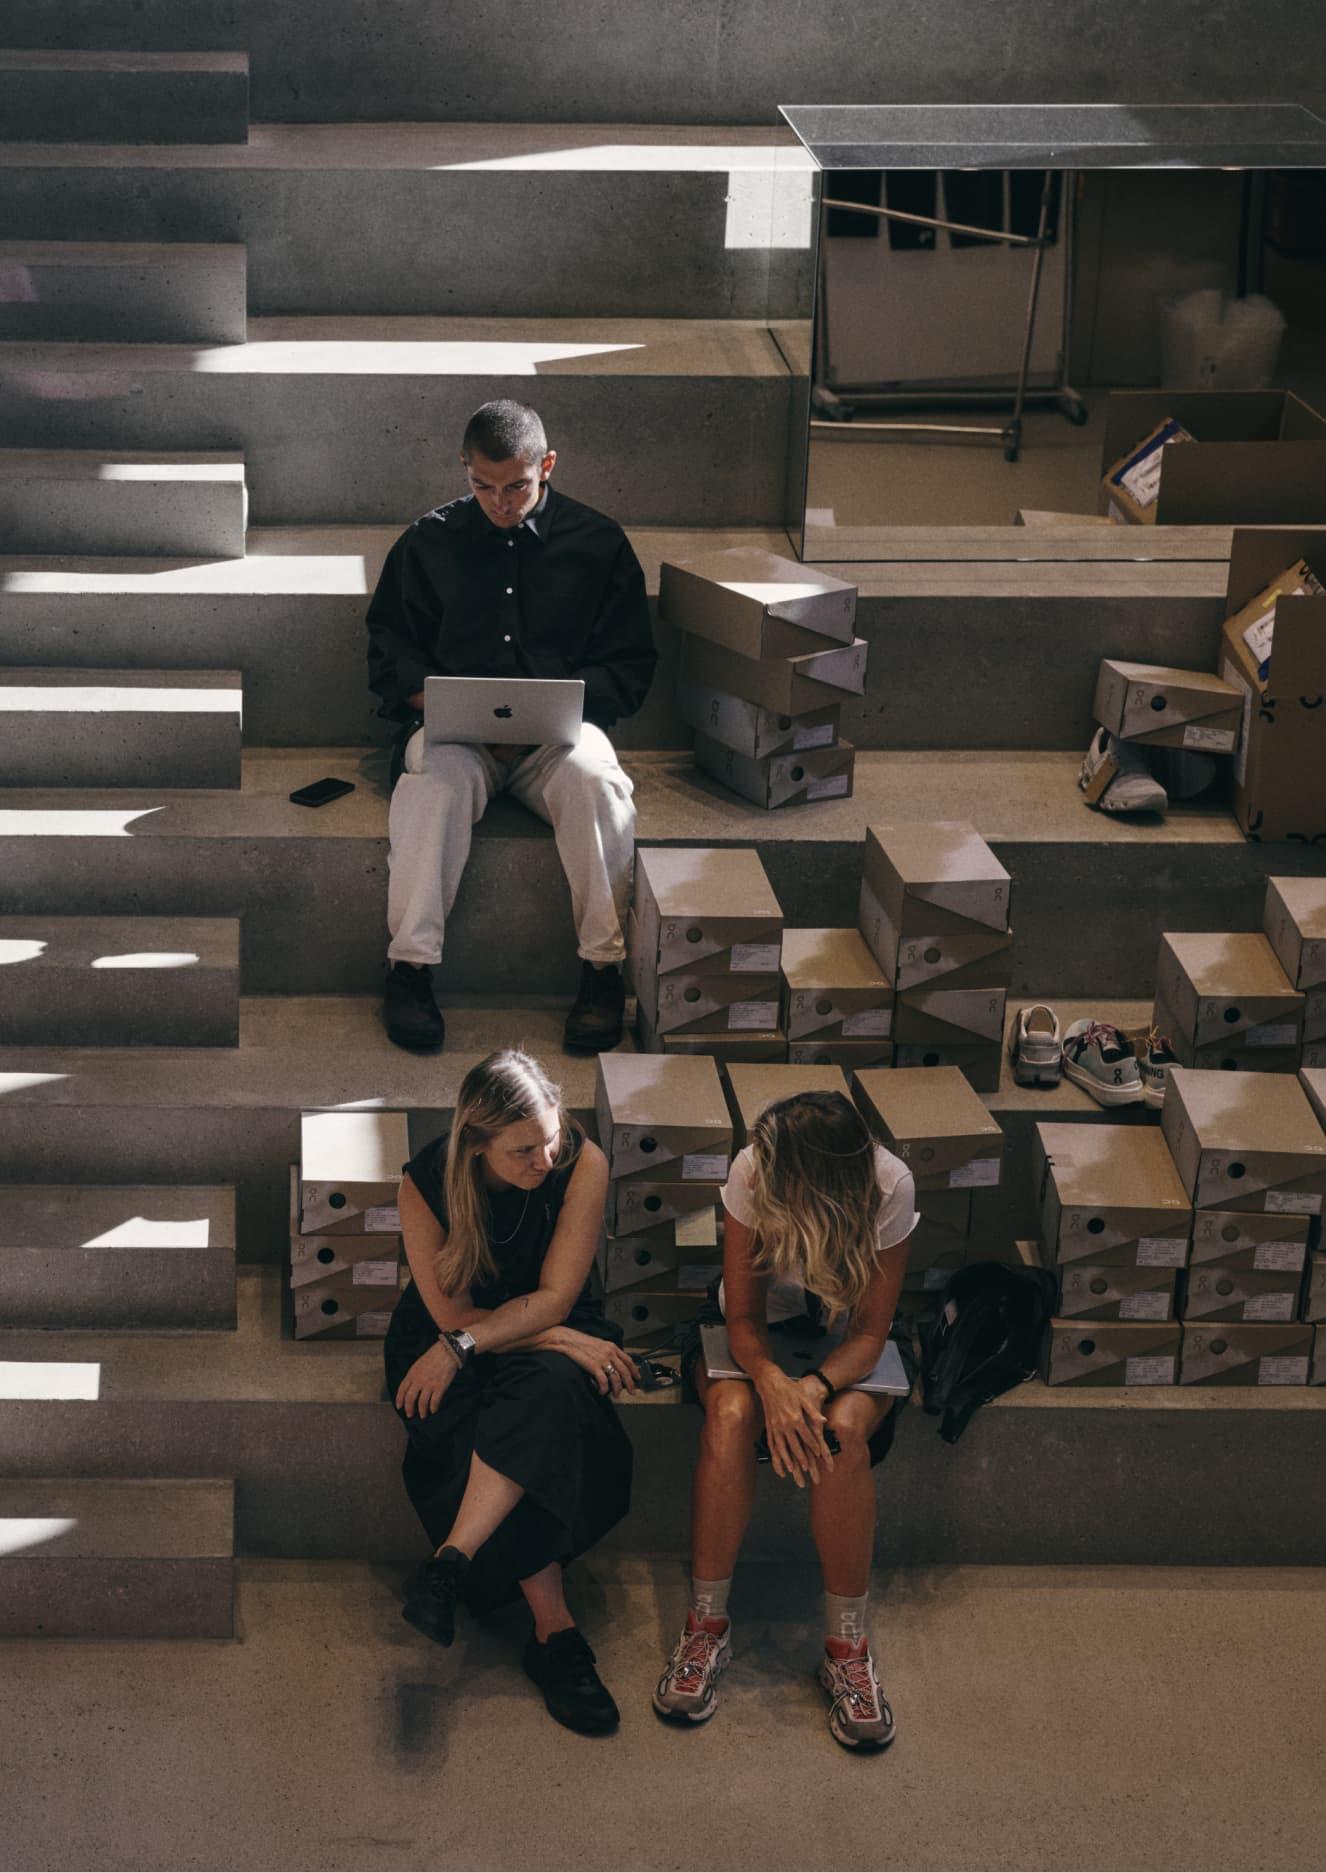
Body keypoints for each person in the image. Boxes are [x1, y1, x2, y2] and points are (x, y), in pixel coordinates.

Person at [366, 399, 657, 1056]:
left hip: (557, 740)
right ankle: (409, 969)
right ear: (465, 471)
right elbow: (387, 655)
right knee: (432, 788)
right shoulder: (427, 541)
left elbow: (631, 667)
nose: (500, 501)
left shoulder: (599, 543)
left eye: (517, 486)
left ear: (546, 466)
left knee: (598, 783)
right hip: (456, 740)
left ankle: (602, 970)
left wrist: (553, 712)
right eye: (482, 487)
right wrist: (437, 701)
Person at [384, 1047, 636, 1735]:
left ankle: (451, 1563)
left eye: (549, 1137)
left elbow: (555, 1295)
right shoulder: (426, 1182)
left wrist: (555, 1331)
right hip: (452, 1339)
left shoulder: (583, 1162)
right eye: (523, 1149)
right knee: (535, 1403)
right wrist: (559, 1338)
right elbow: (456, 1321)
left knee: (545, 1397)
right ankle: (556, 1637)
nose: (544, 1160)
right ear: (476, 1145)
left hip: (518, 1334)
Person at [653, 1090, 916, 1750]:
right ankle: (706, 1627)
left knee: (843, 1429)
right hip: (757, 1337)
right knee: (732, 1412)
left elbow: (871, 1330)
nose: (756, 1168)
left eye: (775, 1166)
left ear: (816, 1179)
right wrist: (772, 1381)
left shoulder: (890, 1185)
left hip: (842, 1348)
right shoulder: (749, 1171)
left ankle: (847, 1648)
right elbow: (741, 1318)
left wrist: (814, 1387)